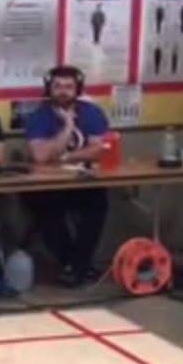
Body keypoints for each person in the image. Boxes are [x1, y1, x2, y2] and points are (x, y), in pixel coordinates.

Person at [21, 66, 111, 287]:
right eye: (57, 86)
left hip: (82, 181)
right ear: (49, 89)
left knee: (97, 205)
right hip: (48, 185)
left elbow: (99, 150)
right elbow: (40, 157)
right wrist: (68, 126)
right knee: (44, 209)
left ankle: (74, 265)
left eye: (69, 87)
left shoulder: (92, 112)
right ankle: (76, 265)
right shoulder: (38, 116)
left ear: (78, 89)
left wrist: (64, 156)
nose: (63, 92)